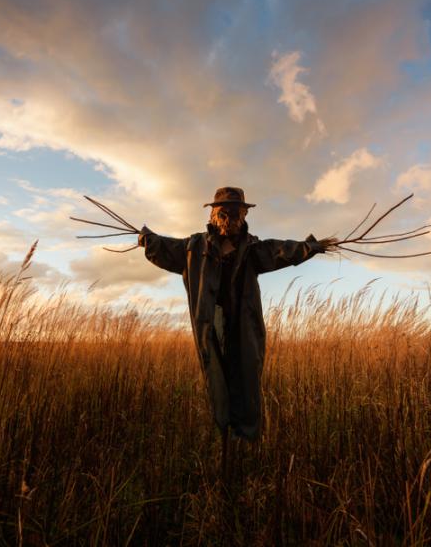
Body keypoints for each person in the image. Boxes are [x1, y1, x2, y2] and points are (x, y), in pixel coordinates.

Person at [137, 187, 335, 444]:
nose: (229, 217)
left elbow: (281, 250)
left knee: (246, 373)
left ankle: (246, 438)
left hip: (243, 323)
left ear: (243, 214)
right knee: (216, 373)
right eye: (223, 211)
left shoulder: (252, 248)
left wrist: (309, 247)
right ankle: (222, 432)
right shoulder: (194, 247)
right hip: (211, 323)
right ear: (213, 214)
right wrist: (148, 239)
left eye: (235, 211)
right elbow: (165, 247)